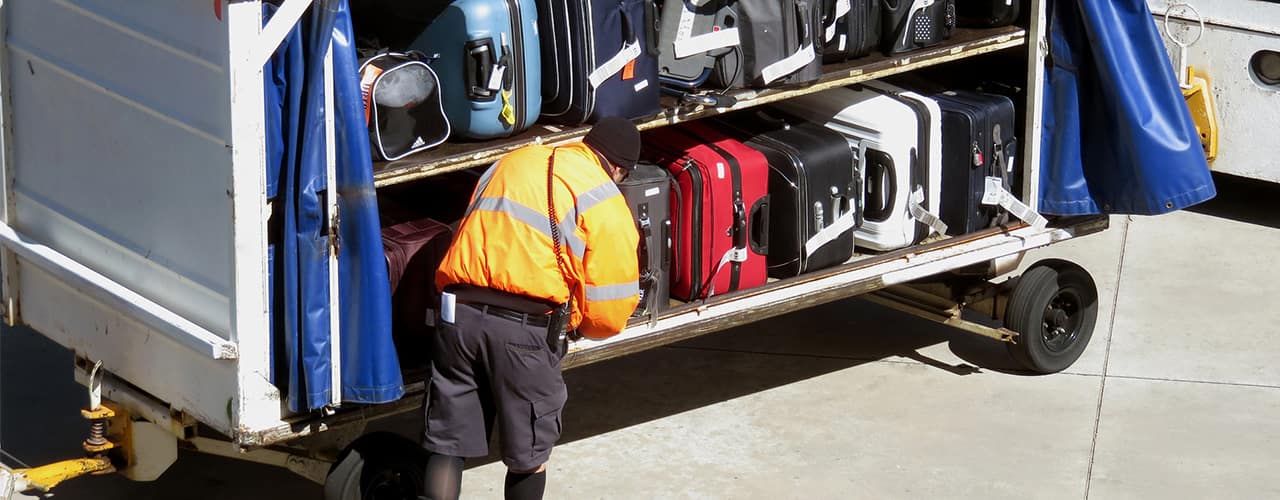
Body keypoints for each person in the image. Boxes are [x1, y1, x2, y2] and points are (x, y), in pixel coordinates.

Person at [422, 117, 642, 500]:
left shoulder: (513, 160)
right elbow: (609, 310)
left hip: (457, 316)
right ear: (619, 169)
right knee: (529, 453)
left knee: (448, 443)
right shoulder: (603, 194)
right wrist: (580, 325)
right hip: (523, 331)